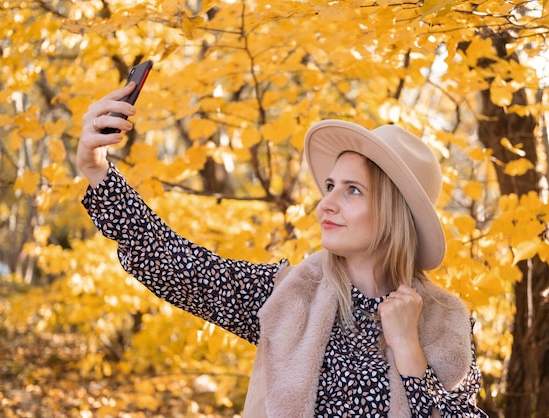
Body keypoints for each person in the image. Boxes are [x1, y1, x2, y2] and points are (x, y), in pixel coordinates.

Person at [77, 82, 488, 417]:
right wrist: (99, 172)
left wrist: (409, 351)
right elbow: (179, 265)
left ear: (394, 215)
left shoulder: (444, 321)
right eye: (330, 186)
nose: (326, 202)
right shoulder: (290, 295)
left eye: (353, 191)